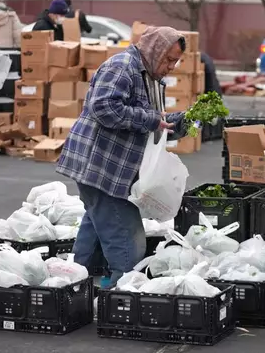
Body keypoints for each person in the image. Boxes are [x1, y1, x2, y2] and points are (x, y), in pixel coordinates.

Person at [55, 26, 189, 286]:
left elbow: (150, 122)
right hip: (100, 169)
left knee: (94, 233)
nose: (172, 66)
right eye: (169, 59)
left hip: (114, 171)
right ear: (155, 50)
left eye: (176, 61)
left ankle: (72, 289)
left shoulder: (151, 78)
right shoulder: (122, 66)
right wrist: (151, 120)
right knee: (129, 245)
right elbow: (104, 108)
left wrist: (180, 122)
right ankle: (120, 298)